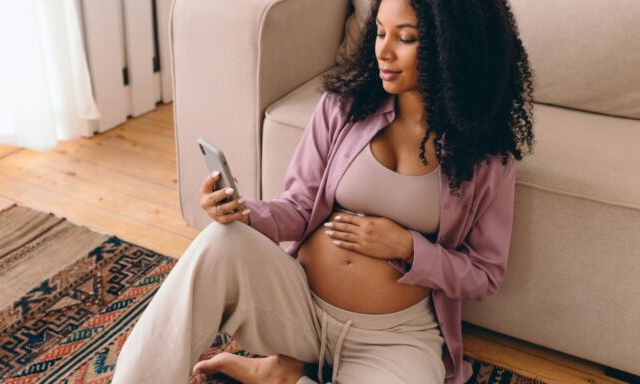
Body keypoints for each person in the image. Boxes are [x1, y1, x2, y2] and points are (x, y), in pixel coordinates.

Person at [111, 0, 535, 382]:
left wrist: (407, 246)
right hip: (298, 308)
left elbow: (485, 274)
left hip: (393, 338)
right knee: (221, 242)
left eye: (405, 38)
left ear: (453, 47)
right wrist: (243, 213)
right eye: (380, 32)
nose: (383, 51)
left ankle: (283, 375)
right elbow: (297, 206)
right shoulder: (344, 108)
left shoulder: (486, 160)